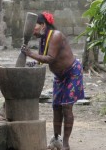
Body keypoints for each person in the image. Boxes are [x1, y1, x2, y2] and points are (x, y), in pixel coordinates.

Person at [21, 12, 84, 150]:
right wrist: (33, 62)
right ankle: (56, 139)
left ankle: (66, 143)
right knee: (56, 107)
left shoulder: (56, 36)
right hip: (60, 77)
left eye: (34, 28)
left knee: (67, 108)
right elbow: (41, 59)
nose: (33, 31)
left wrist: (30, 54)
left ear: (43, 25)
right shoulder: (43, 39)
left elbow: (50, 58)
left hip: (72, 73)